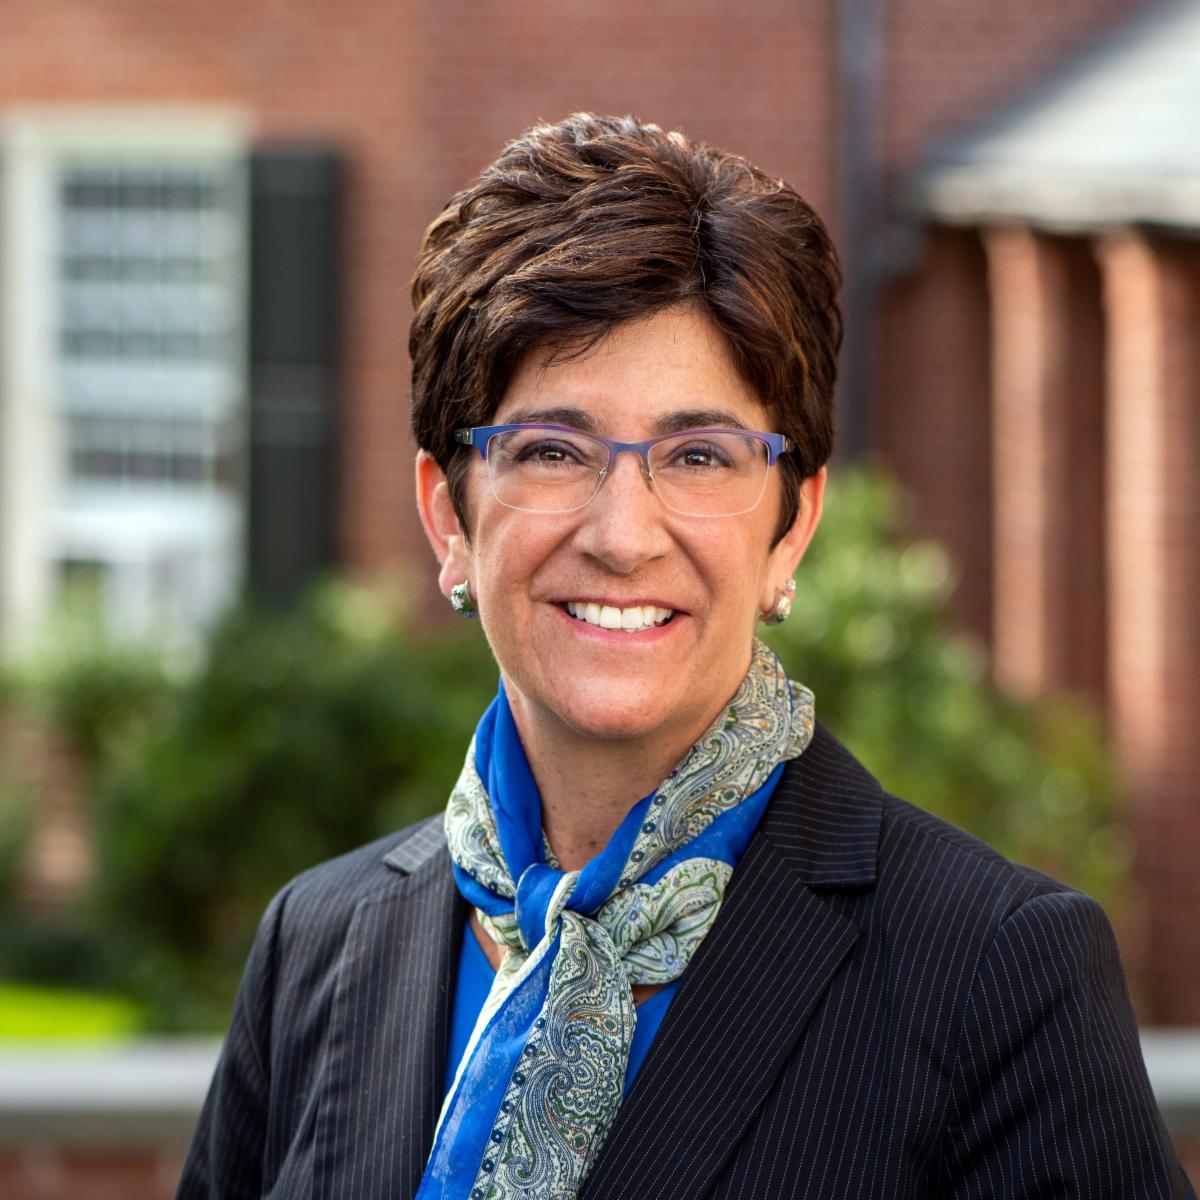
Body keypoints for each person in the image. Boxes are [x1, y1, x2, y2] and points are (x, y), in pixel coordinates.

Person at [177, 113, 1194, 1199]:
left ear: (791, 528)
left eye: (700, 455)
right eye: (552, 449)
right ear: (449, 519)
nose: (623, 535)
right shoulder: (318, 947)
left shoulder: (996, 972)